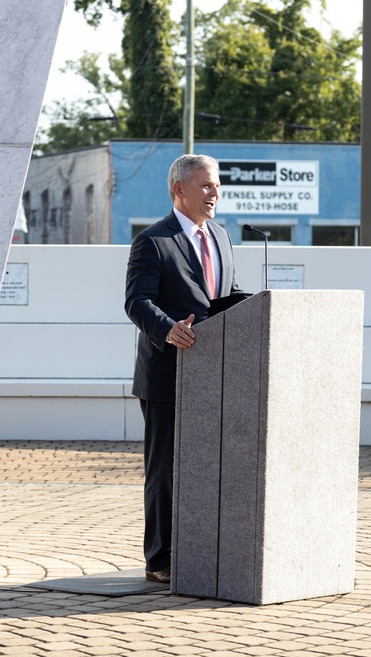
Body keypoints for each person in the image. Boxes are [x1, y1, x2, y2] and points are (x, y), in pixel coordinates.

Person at [124, 154, 244, 584]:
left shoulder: (222, 236)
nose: (215, 194)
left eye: (216, 186)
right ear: (180, 190)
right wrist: (167, 329)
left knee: (209, 465)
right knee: (165, 470)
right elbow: (137, 301)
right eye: (207, 186)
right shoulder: (154, 241)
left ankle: (202, 547)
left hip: (216, 371)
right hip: (166, 373)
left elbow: (224, 296)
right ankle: (159, 559)